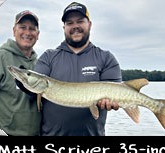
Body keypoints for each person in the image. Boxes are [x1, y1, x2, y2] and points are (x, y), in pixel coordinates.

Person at [34, 2, 121, 136]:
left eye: (80, 21)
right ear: (64, 27)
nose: (75, 26)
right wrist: (20, 80)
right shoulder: (48, 56)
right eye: (70, 23)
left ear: (89, 24)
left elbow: (115, 94)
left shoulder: (106, 58)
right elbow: (34, 87)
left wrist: (110, 102)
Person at [0, 10, 41, 136]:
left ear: (38, 34)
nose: (27, 32)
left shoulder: (41, 65)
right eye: (22, 27)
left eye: (32, 28)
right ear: (14, 31)